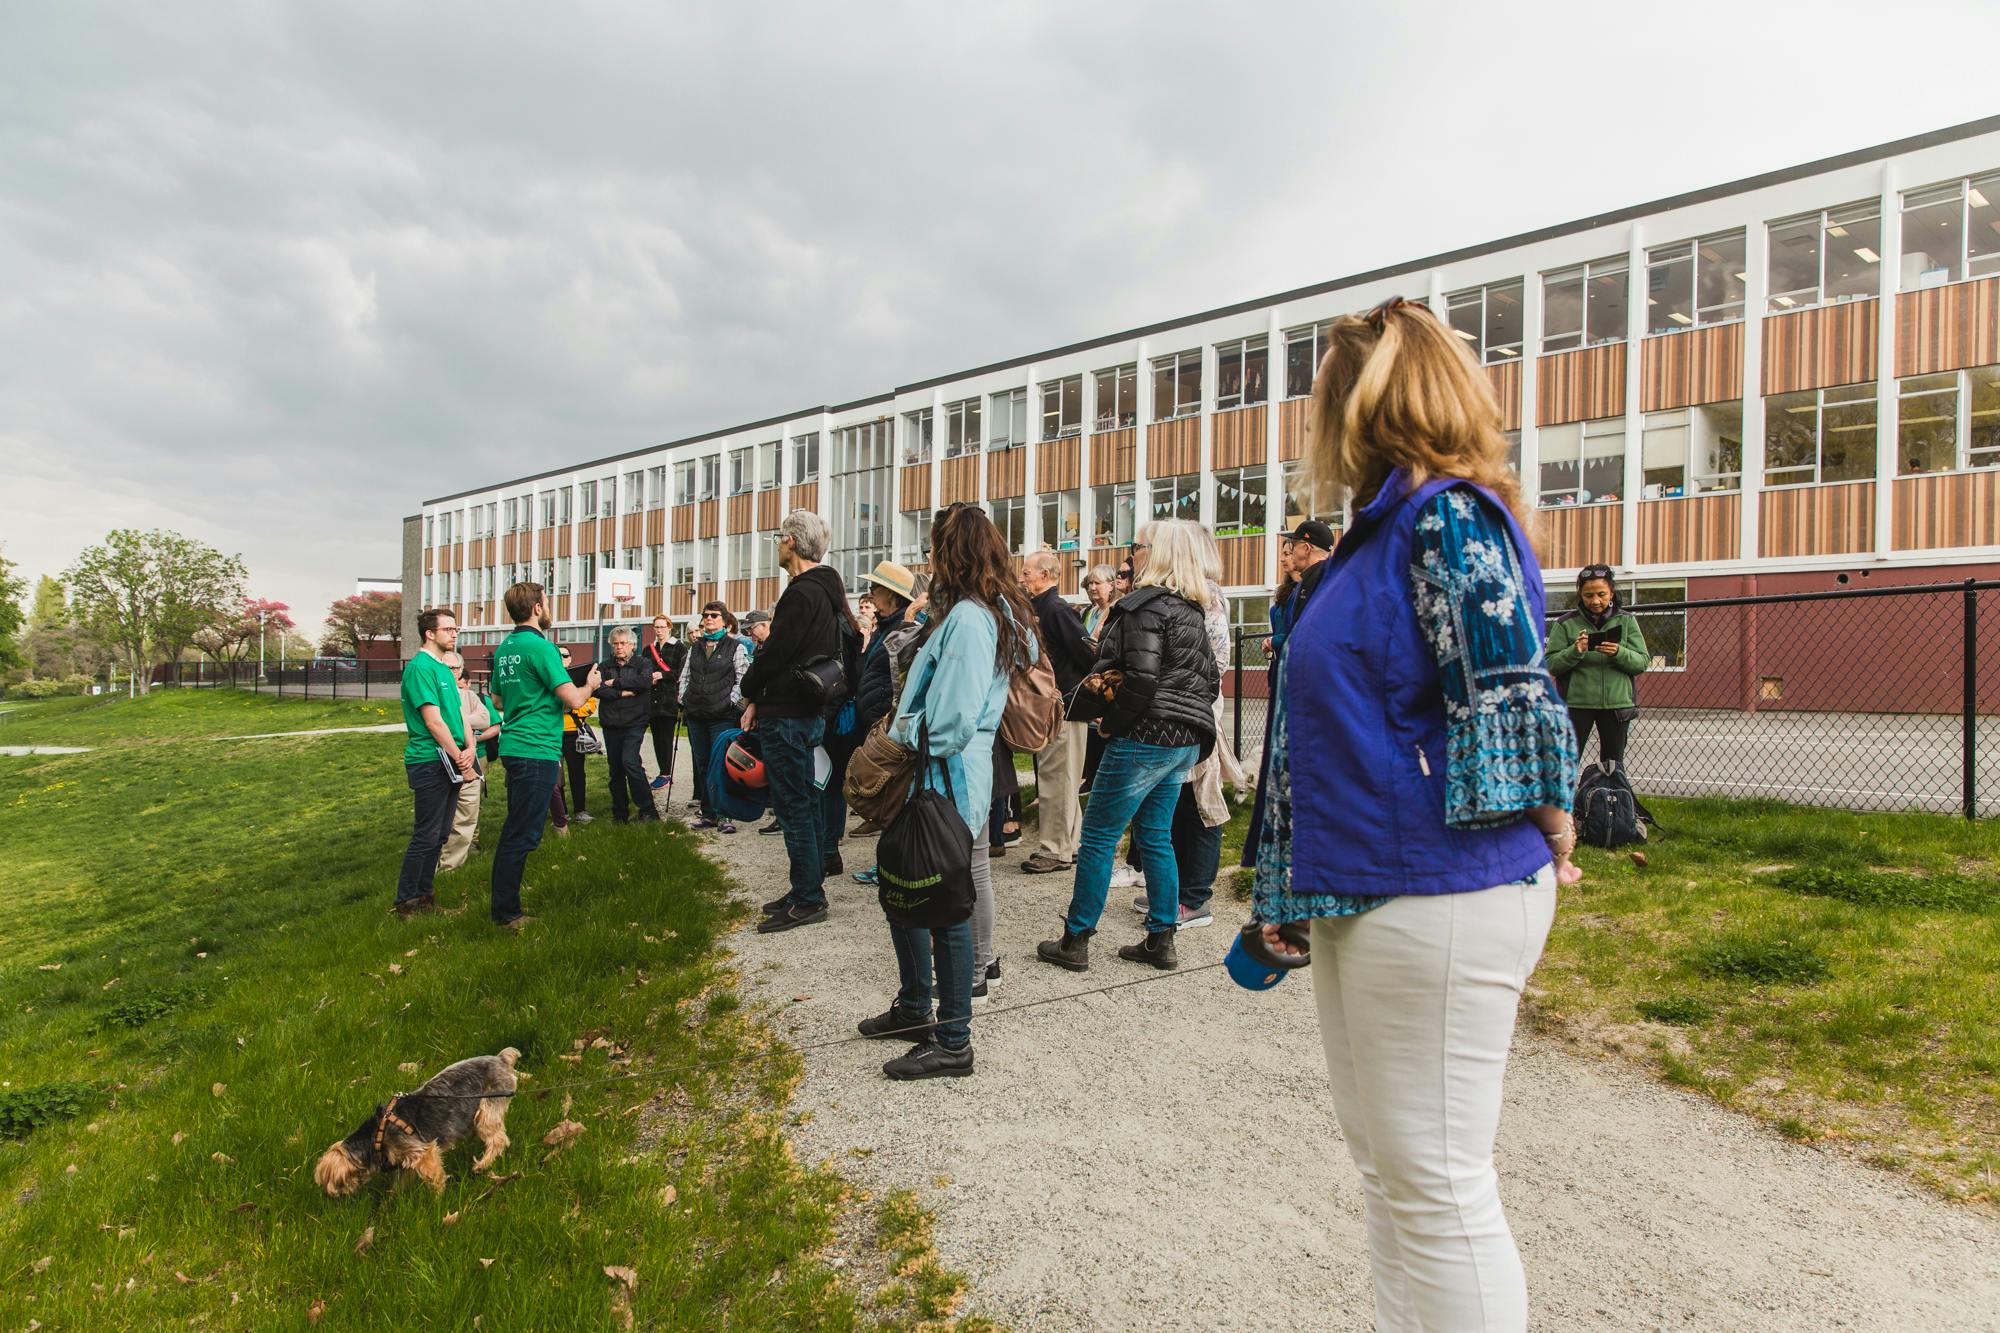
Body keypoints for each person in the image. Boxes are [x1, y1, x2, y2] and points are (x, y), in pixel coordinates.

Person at [1254, 296, 1581, 1331]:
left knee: (1435, 1181)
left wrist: (1550, 811)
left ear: (1361, 403)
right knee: (1390, 1169)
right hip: (1370, 883)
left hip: (1437, 886)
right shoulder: (1372, 536)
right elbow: (1319, 732)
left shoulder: (1443, 516)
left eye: (1319, 397)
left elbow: (1505, 683)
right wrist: (1285, 884)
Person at [855, 503, 1032, 1078]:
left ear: (949, 552)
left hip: (943, 778)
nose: (928, 558)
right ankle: (913, 1007)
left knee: (945, 903)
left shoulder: (970, 621)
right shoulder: (975, 613)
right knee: (904, 888)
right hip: (942, 777)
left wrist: (894, 734)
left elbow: (951, 720)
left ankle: (954, 1038)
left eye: (934, 548)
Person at [1037, 519, 1218, 973]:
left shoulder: (1142, 609)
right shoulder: (1192, 612)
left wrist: (1111, 724)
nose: (1130, 553)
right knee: (1156, 836)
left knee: (1098, 835)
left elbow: (1139, 677)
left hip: (1144, 734)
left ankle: (1076, 939)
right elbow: (1210, 681)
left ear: (1154, 553)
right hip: (1183, 738)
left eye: (1137, 546)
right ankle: (1161, 938)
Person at [746, 510, 853, 934]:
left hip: (787, 714)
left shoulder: (801, 593)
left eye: (778, 537)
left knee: (794, 807)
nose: (776, 543)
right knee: (804, 804)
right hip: (805, 711)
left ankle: (808, 897)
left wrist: (749, 688)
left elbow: (776, 653)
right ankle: (804, 888)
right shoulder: (826, 590)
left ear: (791, 541)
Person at [490, 583, 602, 929]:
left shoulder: (506, 647)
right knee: (521, 833)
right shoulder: (542, 648)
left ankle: (505, 907)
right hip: (535, 748)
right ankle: (507, 913)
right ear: (537, 608)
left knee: (518, 828)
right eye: (547, 602)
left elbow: (497, 701)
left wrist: (531, 698)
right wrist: (591, 685)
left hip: (514, 745)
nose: (549, 608)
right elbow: (574, 700)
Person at [1018, 550, 1095, 876]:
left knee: (1057, 780)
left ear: (1046, 575)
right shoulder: (1041, 608)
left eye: (1027, 573)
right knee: (1058, 777)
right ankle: (1071, 844)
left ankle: (1056, 850)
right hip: (1053, 707)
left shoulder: (1056, 609)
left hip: (1062, 706)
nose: (1022, 578)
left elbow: (1087, 655)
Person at [395, 608, 474, 917]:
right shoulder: (420, 668)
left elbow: (459, 714)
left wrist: (469, 748)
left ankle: (426, 899)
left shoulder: (445, 668)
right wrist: (460, 758)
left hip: (453, 757)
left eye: (456, 629)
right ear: (430, 633)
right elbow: (433, 722)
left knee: (441, 833)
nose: (455, 634)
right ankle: (406, 903)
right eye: (448, 629)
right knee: (426, 833)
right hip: (430, 760)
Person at [1545, 564, 1649, 768]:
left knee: (1613, 766)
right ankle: (1567, 800)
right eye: (1588, 595)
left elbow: (1642, 662)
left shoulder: (1627, 621)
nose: (1595, 601)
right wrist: (1574, 651)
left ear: (1611, 593)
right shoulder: (1565, 623)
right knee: (1566, 764)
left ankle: (1610, 800)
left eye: (1601, 594)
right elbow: (1550, 665)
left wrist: (1619, 652)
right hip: (1576, 705)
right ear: (1580, 595)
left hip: (1617, 705)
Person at [679, 600, 749, 833]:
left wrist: (729, 701)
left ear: (725, 621)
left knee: (721, 763)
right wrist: (683, 699)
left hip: (721, 715)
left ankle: (725, 815)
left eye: (714, 615)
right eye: (706, 615)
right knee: (702, 764)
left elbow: (742, 678)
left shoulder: (735, 646)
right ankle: (708, 814)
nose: (709, 619)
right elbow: (685, 677)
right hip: (696, 714)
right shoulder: (695, 647)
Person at [437, 650, 501, 873]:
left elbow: (485, 719)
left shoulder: (468, 696)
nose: (450, 672)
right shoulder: (433, 693)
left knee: (468, 811)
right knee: (441, 813)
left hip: (469, 757)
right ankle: (434, 863)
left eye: (454, 668)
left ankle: (450, 868)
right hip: (439, 758)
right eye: (445, 667)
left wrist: (459, 718)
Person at [592, 626, 662, 824]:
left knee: (630, 762)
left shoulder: (643, 663)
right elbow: (596, 689)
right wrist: (622, 692)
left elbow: (644, 683)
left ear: (632, 645)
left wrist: (614, 683)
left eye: (623, 643)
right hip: (611, 722)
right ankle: (619, 813)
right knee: (615, 769)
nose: (619, 647)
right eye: (615, 644)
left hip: (635, 721)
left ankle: (648, 810)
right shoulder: (604, 666)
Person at [1080, 564, 1120, 793]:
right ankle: (1091, 775)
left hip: (1105, 674)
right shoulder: (1090, 611)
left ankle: (1100, 778)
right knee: (1090, 726)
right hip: (1089, 673)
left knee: (1100, 726)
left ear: (1111, 585)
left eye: (1097, 583)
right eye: (1090, 584)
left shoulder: (1113, 609)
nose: (1092, 588)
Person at [645, 614, 687, 793]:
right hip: (653, 700)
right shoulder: (649, 649)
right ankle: (662, 773)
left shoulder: (679, 647)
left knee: (666, 738)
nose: (659, 630)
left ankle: (666, 774)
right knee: (656, 738)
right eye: (656, 627)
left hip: (670, 700)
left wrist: (663, 675)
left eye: (662, 627)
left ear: (669, 627)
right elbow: (644, 669)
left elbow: (683, 672)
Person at [556, 646, 596, 826]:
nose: (562, 658)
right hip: (554, 732)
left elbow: (591, 702)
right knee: (556, 775)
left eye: (565, 655)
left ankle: (580, 809)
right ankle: (561, 812)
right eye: (558, 655)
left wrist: (573, 707)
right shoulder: (551, 676)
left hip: (573, 732)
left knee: (577, 772)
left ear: (570, 658)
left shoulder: (580, 677)